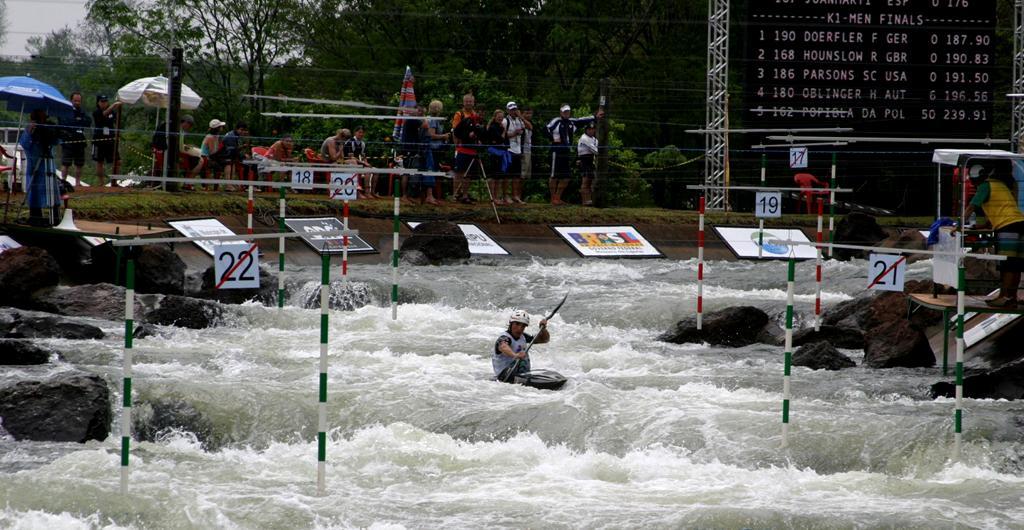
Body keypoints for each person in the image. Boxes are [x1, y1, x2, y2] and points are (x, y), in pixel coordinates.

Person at [960, 162, 1024, 308]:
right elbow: (1001, 208)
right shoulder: (1000, 184)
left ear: (976, 179)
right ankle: (1010, 297)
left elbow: (971, 207)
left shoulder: (985, 186)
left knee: (1007, 264)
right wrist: (984, 225)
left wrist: (958, 225)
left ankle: (1005, 297)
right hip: (1020, 224)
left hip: (1008, 227)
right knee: (1016, 264)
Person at [546, 104, 600, 205]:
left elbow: (582, 120)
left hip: (567, 151)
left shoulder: (572, 122)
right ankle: (553, 198)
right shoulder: (556, 121)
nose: (566, 113)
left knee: (566, 176)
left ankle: (557, 197)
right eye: (564, 111)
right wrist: (552, 139)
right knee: (554, 176)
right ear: (561, 112)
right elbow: (547, 128)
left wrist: (595, 117)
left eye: (568, 111)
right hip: (556, 150)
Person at [20, 109, 61, 226]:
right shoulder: (30, 126)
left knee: (51, 190)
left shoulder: (50, 125)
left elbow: (55, 141)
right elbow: (24, 144)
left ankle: (55, 217)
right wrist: (29, 132)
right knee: (35, 190)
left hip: (47, 162)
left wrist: (55, 132)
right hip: (34, 163)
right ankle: (35, 217)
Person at [493, 309, 549, 382]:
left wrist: (543, 329)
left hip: (522, 376)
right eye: (517, 324)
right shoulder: (504, 338)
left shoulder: (523, 337)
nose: (519, 328)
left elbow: (544, 340)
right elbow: (503, 347)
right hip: (505, 378)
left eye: (523, 326)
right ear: (511, 323)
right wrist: (515, 355)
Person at [452, 93, 484, 204]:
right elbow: (455, 131)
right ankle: (455, 194)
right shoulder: (459, 114)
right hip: (461, 147)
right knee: (459, 172)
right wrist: (456, 144)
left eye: (470, 101)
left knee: (468, 173)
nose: (469, 103)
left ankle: (465, 195)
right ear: (463, 102)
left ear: (473, 102)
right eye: (467, 101)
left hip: (472, 147)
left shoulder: (475, 115)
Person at [59, 91, 90, 187]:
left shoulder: (82, 111)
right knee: (66, 162)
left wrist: (78, 121)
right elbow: (65, 123)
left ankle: (77, 182)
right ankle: (63, 181)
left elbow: (88, 122)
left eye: (79, 101)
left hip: (80, 140)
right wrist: (77, 121)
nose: (77, 102)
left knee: (79, 163)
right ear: (71, 100)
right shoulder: (65, 110)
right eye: (75, 100)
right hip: (68, 140)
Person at [91, 95, 121, 187]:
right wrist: (114, 105)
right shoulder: (96, 112)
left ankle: (114, 181)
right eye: (102, 101)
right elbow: (104, 114)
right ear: (98, 102)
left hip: (111, 140)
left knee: (117, 161)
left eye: (105, 101)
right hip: (99, 140)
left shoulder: (112, 112)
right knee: (100, 162)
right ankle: (101, 183)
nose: (104, 103)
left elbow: (116, 121)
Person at [503, 101, 529, 204]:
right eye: (511, 109)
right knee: (507, 175)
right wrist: (514, 133)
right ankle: (505, 196)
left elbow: (529, 127)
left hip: (518, 150)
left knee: (516, 175)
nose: (513, 111)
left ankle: (515, 196)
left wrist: (521, 117)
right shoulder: (505, 121)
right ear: (507, 110)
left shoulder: (519, 120)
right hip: (509, 150)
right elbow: (503, 135)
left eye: (515, 109)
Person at [424, 99, 449, 204]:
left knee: (433, 170)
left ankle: (431, 195)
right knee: (431, 170)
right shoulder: (433, 120)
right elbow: (431, 135)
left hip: (434, 148)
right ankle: (429, 196)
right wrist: (444, 136)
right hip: (433, 148)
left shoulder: (432, 119)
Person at [485, 109, 509, 204]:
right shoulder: (493, 127)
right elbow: (500, 139)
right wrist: (504, 131)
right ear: (495, 117)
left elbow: (503, 140)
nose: (500, 118)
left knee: (498, 176)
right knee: (493, 176)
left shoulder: (500, 127)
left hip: (501, 152)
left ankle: (497, 196)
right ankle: (493, 197)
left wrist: (502, 134)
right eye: (498, 117)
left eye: (502, 117)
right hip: (494, 152)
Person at [344, 126, 375, 198]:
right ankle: (357, 192)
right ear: (355, 133)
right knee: (354, 163)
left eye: (362, 132)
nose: (361, 134)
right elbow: (351, 157)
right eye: (359, 132)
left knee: (373, 170)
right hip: (346, 161)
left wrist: (366, 163)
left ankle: (369, 192)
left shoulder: (362, 144)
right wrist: (364, 163)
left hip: (357, 163)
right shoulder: (350, 142)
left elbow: (364, 156)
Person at [577, 122, 598, 206]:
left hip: (590, 161)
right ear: (586, 130)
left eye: (593, 129)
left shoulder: (594, 139)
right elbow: (596, 150)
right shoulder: (584, 138)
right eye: (589, 129)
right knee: (585, 182)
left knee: (590, 182)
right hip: (584, 161)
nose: (591, 131)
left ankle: (589, 201)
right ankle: (584, 201)